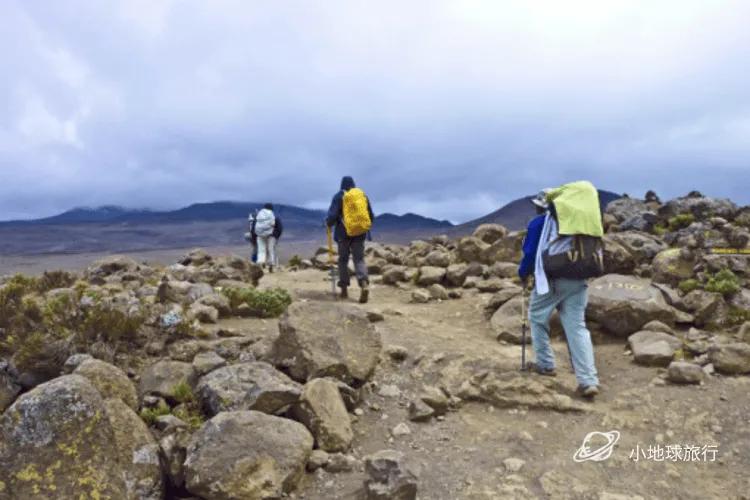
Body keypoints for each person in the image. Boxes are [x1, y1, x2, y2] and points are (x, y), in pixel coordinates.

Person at [518, 191, 600, 399]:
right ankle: (588, 380)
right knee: (577, 328)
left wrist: (523, 274)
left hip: (552, 280)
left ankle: (545, 364)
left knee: (537, 318)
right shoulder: (578, 223)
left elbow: (530, 253)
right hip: (578, 280)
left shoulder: (540, 223)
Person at [326, 176, 374, 303]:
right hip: (359, 234)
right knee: (359, 259)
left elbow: (332, 215)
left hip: (343, 234)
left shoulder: (338, 196)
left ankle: (344, 289)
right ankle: (363, 283)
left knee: (343, 260)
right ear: (353, 184)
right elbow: (370, 215)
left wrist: (329, 223)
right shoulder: (361, 194)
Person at [254, 203, 278, 272]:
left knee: (261, 250)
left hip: (259, 234)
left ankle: (260, 262)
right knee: (270, 250)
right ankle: (271, 264)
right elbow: (273, 223)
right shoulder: (271, 213)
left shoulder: (259, 213)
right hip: (269, 235)